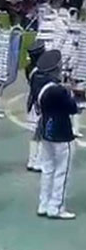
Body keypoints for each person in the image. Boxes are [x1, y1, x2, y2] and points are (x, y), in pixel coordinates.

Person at [34, 50, 79, 219]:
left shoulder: (40, 85)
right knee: (62, 172)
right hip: (62, 133)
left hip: (46, 131)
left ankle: (43, 203)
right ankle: (56, 207)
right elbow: (72, 108)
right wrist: (70, 92)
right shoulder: (58, 91)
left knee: (47, 169)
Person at [25, 41, 46, 172]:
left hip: (32, 103)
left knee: (34, 135)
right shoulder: (43, 70)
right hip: (42, 104)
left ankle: (31, 160)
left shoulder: (29, 68)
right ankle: (38, 161)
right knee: (42, 134)